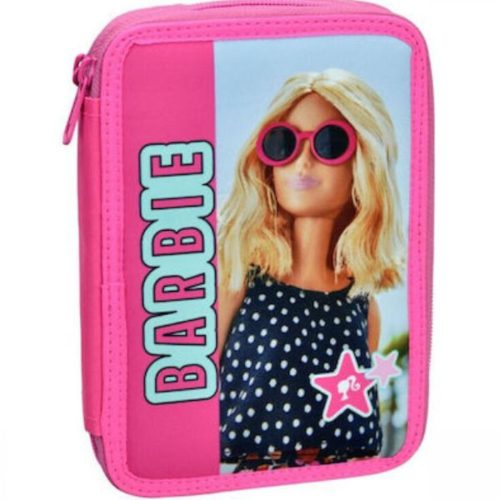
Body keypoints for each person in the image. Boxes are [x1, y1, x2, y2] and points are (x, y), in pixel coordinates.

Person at [217, 68, 405, 472]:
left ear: (365, 162)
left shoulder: (360, 299)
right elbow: (194, 385)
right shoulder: (240, 277)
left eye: (329, 143)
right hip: (252, 479)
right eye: (283, 143)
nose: (302, 162)